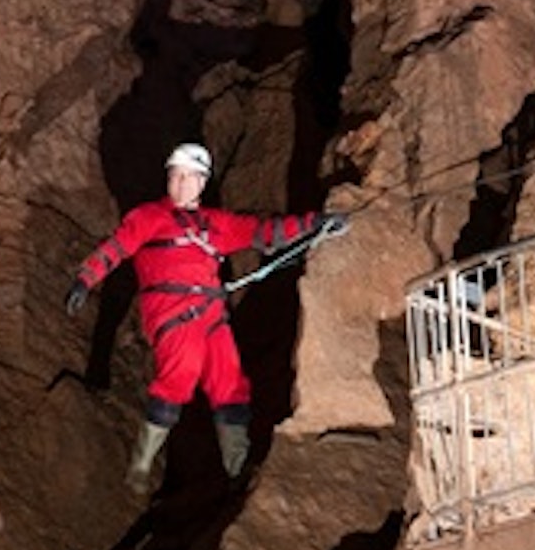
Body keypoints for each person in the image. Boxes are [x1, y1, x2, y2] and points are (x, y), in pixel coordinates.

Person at [64, 142, 347, 493]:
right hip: (171, 313)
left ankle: (237, 466)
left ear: (202, 182)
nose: (182, 183)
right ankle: (140, 465)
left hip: (211, 314)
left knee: (229, 380)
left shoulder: (216, 224)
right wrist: (85, 278)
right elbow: (116, 247)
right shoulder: (148, 217)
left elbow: (265, 232)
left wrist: (316, 223)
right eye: (176, 176)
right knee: (179, 377)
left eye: (190, 177)